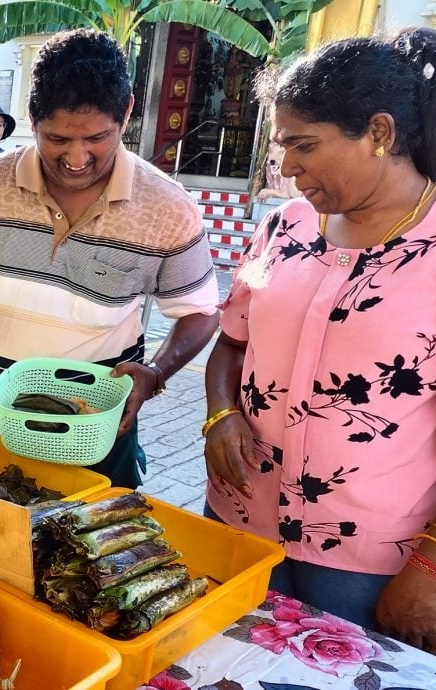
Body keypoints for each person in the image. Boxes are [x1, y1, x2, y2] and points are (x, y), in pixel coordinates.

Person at [0, 29, 219, 487]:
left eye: (96, 138)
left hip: (96, 424)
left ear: (126, 112)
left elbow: (200, 313)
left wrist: (156, 370)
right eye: (57, 139)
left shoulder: (167, 207)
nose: (76, 157)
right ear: (32, 118)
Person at [202, 29, 436, 642]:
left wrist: (431, 564)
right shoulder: (286, 226)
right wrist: (219, 415)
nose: (287, 168)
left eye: (303, 145)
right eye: (283, 146)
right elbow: (232, 341)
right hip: (239, 515)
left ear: (380, 133)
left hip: (371, 558)